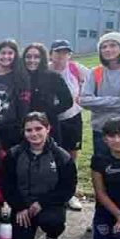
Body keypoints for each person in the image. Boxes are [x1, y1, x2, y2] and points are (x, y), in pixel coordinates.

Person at [2, 112, 77, 239]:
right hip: (23, 205)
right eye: (29, 130)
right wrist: (20, 207)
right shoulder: (13, 154)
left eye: (38, 129)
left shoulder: (62, 157)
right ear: (23, 132)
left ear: (48, 129)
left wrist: (42, 203)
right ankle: (28, 227)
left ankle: (52, 237)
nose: (34, 133)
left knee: (52, 222)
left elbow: (67, 189)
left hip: (49, 205)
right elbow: (7, 185)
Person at [80, 32, 120, 157]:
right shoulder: (95, 72)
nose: (108, 49)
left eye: (112, 45)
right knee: (102, 167)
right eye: (103, 47)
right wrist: (117, 100)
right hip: (101, 130)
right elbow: (84, 100)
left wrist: (98, 102)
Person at [49, 39, 90, 211]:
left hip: (72, 117)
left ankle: (70, 193)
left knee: (71, 157)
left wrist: (85, 98)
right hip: (50, 120)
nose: (61, 56)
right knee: (51, 156)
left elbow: (95, 81)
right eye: (58, 52)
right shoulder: (45, 69)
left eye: (65, 52)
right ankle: (51, 190)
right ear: (51, 54)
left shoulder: (76, 68)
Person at [22, 43, 73, 145]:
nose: (32, 60)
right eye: (28, 57)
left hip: (48, 126)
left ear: (42, 58)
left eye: (36, 57)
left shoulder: (53, 77)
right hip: (23, 127)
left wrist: (48, 113)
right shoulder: (19, 77)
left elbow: (67, 101)